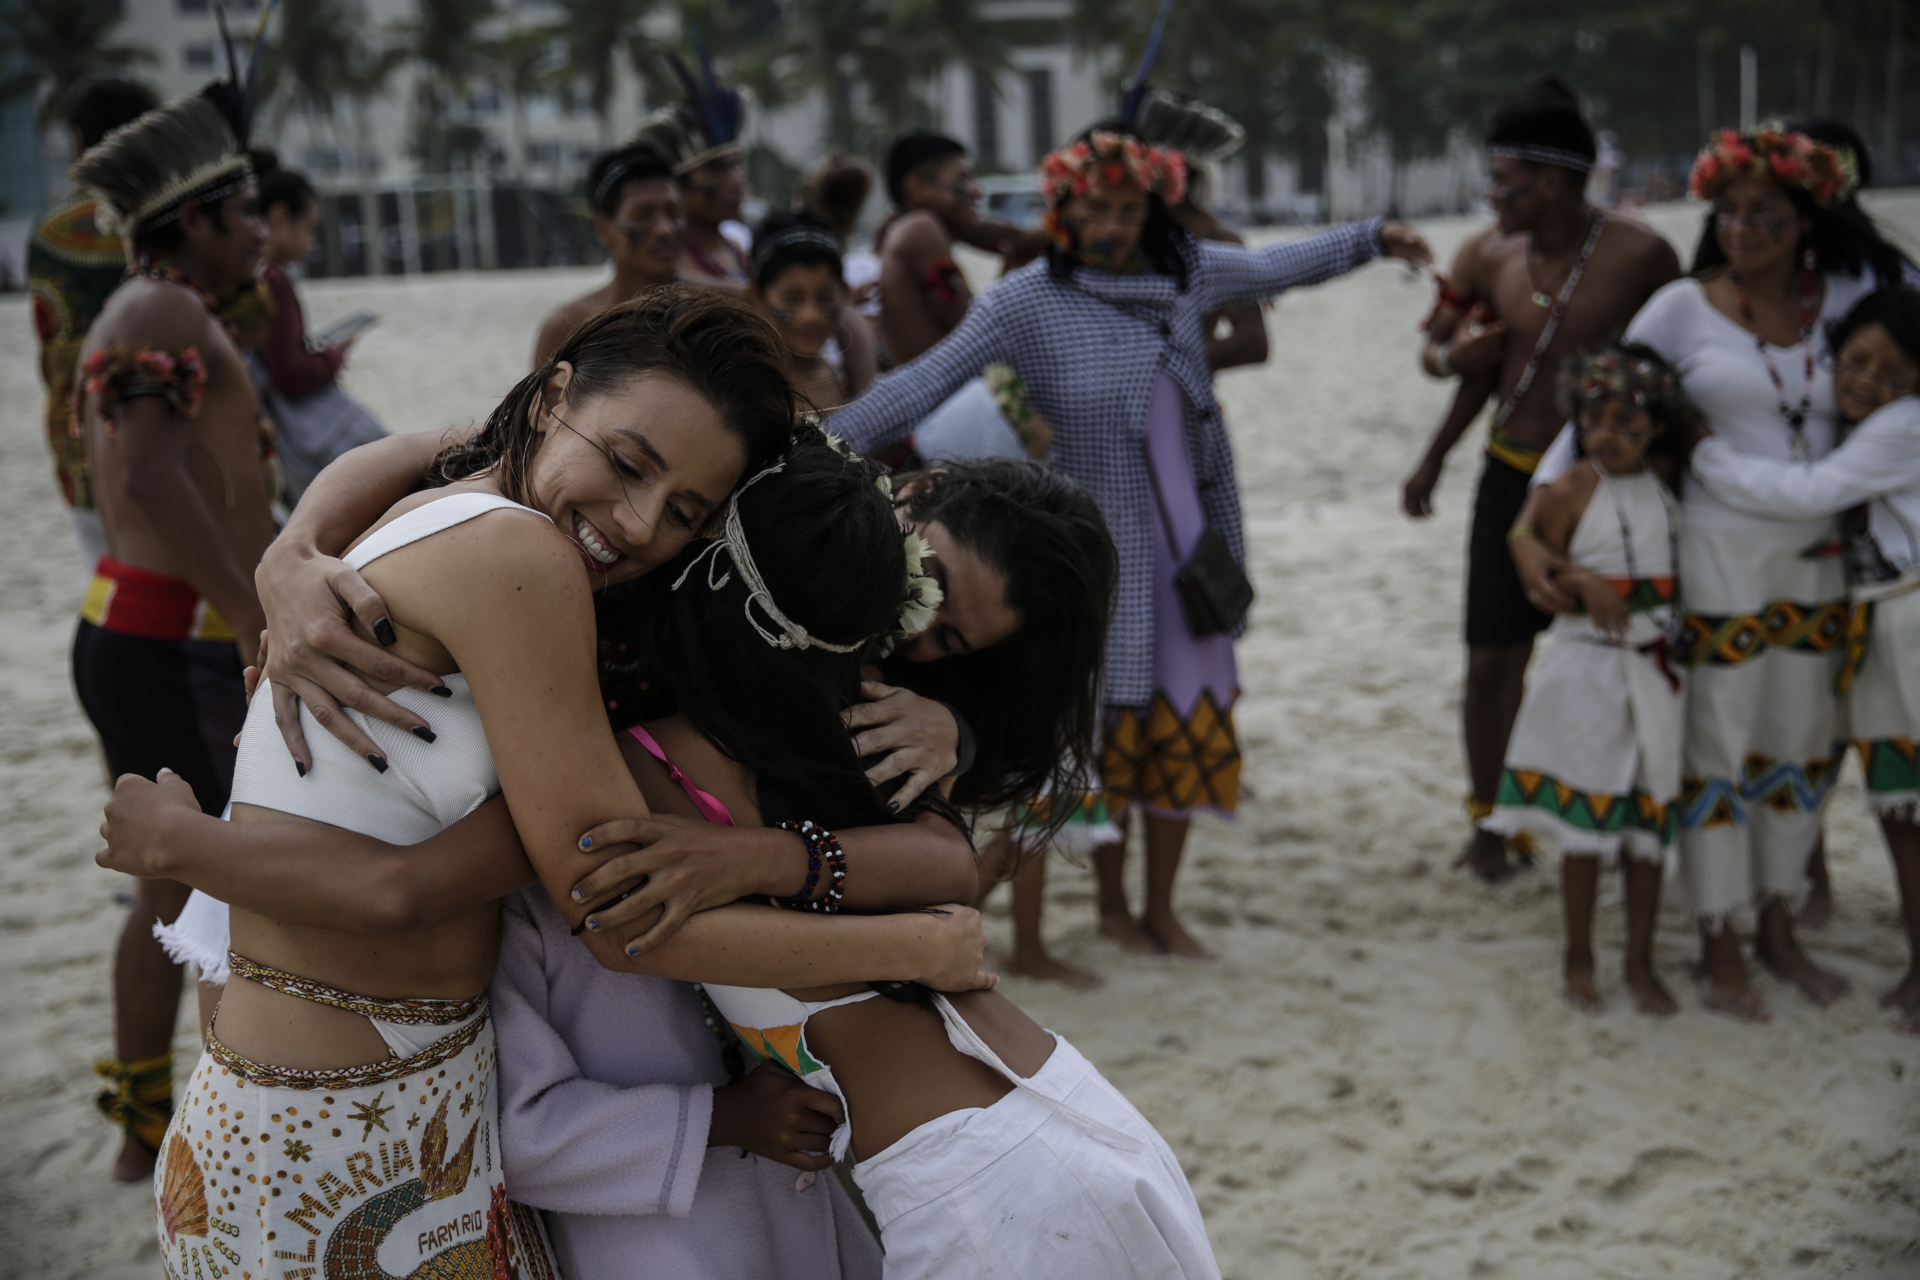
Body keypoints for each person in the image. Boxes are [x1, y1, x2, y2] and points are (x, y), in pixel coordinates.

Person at [571, 439, 1222, 1279]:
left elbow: (945, 868)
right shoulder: (775, 511)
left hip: (994, 1187)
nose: (913, 636)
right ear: (918, 489)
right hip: (1038, 1135)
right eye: (932, 592)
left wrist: (765, 857)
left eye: (951, 643)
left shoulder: (862, 706)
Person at [834, 123, 1432, 959]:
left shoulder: (1183, 274)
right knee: (1092, 742)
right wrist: (810, 445)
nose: (1113, 224)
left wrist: (1374, 237)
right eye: (1095, 207)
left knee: (1185, 733)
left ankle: (1158, 910)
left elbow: (1276, 268)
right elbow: (919, 385)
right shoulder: (1024, 302)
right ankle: (1105, 909)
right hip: (1093, 569)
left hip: (1190, 558)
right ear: (1063, 209)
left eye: (1128, 206)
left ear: (1152, 207)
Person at [1513, 126, 1879, 1020]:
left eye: (1768, 212)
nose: (1745, 226)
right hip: (1713, 567)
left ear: (1808, 217)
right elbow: (1591, 414)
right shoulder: (1681, 308)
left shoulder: (1853, 298)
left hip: (1820, 565)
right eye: (1731, 210)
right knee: (1713, 761)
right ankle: (1719, 946)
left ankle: (1778, 931)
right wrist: (1532, 534)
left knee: (1799, 756)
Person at [66, 84, 276, 1183]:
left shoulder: (155, 308)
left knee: (172, 887)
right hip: (170, 642)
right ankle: (191, 1134)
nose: (260, 231)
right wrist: (250, 612)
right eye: (244, 212)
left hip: (144, 635)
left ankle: (146, 1128)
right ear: (191, 219)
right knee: (205, 886)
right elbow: (149, 471)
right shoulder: (157, 313)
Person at [1403, 79, 1681, 882]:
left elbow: (1673, 376)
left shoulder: (1641, 256)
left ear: (1554, 182)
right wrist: (1440, 426)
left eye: (1505, 182)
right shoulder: (1487, 252)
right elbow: (1440, 353)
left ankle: (1623, 822)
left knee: (1613, 656)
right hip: (1509, 472)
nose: (1492, 196)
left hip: (1603, 491)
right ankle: (1488, 825)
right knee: (1491, 663)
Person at [1683, 286, 1920, 1031]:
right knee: (1895, 804)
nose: (1868, 383)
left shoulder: (1902, 429)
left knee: (1899, 801)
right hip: (1871, 619)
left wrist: (1704, 453)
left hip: (1901, 620)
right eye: (1855, 362)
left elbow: (1809, 491)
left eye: (1894, 372)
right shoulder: (1874, 422)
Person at [1482, 344, 1686, 1015]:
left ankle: (1640, 959)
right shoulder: (1569, 487)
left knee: (1648, 822)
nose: (1612, 436)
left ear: (1655, 426)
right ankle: (1579, 955)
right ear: (1579, 420)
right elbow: (1531, 556)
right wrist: (1580, 578)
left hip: (1656, 670)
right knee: (1585, 822)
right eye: (1597, 421)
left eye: (1630, 425)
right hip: (1586, 670)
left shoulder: (1666, 481)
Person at [27, 76, 159, 569]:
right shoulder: (173, 221)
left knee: (107, 584)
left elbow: (52, 341)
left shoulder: (52, 229)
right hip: (180, 444)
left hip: (79, 442)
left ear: (80, 140)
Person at [250, 150, 387, 503]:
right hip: (292, 430)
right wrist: (333, 355)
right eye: (308, 228)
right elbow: (291, 373)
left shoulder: (254, 274)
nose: (311, 242)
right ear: (280, 217)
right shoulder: (271, 279)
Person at [872, 132, 1049, 368]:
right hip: (934, 400)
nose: (976, 190)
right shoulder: (921, 228)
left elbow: (1016, 239)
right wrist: (1008, 285)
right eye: (962, 179)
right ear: (918, 187)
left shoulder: (908, 228)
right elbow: (976, 335)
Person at [533, 144, 682, 366]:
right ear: (602, 228)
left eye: (673, 213)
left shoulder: (724, 306)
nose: (665, 229)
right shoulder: (567, 327)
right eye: (643, 215)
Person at [634, 54, 753, 293]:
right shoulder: (660, 269)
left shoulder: (737, 248)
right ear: (676, 186)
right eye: (717, 169)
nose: (736, 182)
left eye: (736, 165)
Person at [748, 209, 880, 411]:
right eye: (792, 299)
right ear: (757, 297)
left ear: (844, 293)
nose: (810, 316)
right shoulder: (744, 390)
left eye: (825, 298)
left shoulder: (849, 380)